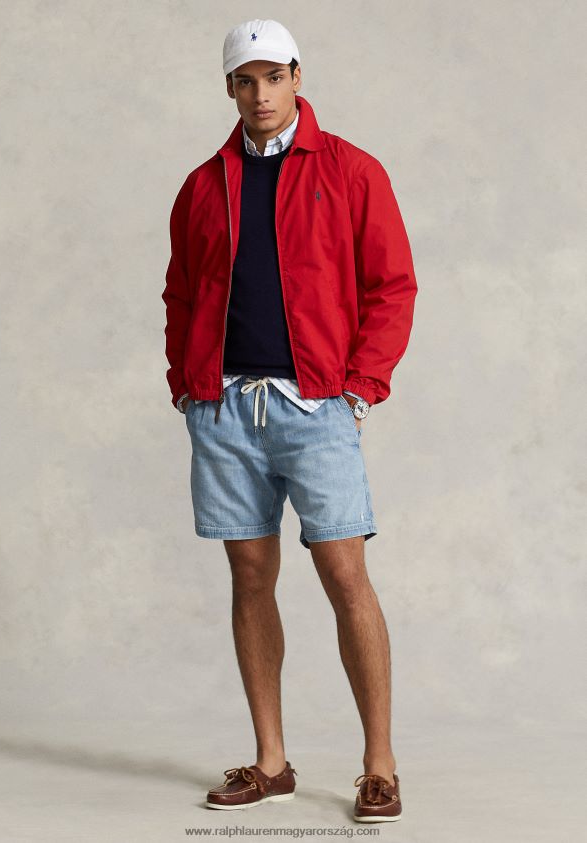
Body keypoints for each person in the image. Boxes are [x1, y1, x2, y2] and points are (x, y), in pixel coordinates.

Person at [162, 18, 417, 823]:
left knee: (345, 574)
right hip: (225, 407)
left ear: (298, 78)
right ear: (229, 88)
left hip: (317, 404)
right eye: (246, 80)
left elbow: (392, 285)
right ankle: (271, 762)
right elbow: (180, 291)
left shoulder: (351, 171)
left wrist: (360, 388)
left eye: (274, 77)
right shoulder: (203, 185)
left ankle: (379, 766)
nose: (261, 94)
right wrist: (187, 385)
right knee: (249, 575)